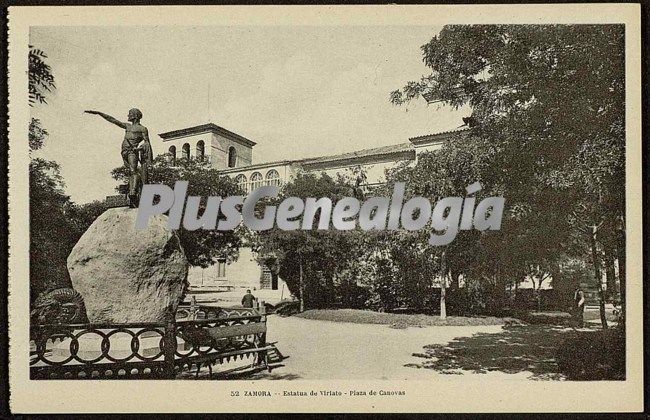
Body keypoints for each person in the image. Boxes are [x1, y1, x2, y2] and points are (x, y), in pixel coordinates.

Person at [84, 108, 153, 206]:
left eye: (130, 114)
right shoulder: (127, 126)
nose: (128, 116)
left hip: (131, 152)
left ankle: (133, 192)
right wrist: (99, 113)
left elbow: (147, 144)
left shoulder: (143, 129)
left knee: (133, 170)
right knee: (130, 171)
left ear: (135, 116)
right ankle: (133, 193)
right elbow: (113, 120)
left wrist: (138, 149)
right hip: (124, 152)